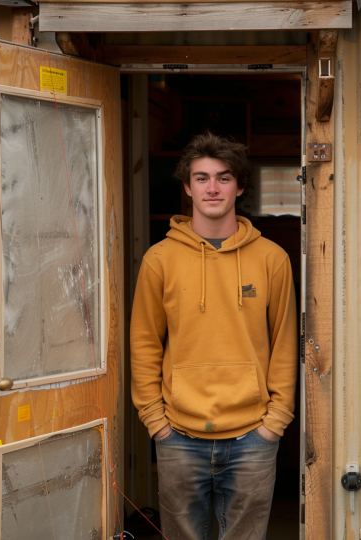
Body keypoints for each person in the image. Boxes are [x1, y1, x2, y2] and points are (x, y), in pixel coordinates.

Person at [130, 132, 298, 540]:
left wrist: (275, 422)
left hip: (253, 437)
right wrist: (156, 421)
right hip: (178, 436)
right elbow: (144, 344)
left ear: (240, 186)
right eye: (201, 178)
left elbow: (285, 344)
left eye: (223, 178)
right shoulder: (159, 260)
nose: (212, 188)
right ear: (187, 188)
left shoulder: (272, 259)